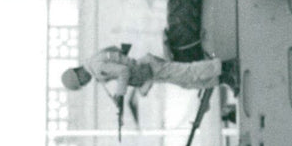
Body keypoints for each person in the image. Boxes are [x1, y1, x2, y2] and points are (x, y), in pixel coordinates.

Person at [61, 44, 222, 98]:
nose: (85, 83)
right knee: (186, 83)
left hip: (149, 68)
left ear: (79, 75)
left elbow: (123, 71)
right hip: (146, 72)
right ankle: (221, 79)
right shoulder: (93, 62)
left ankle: (223, 68)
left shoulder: (97, 67)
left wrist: (120, 95)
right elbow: (116, 50)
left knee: (187, 73)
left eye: (82, 82)